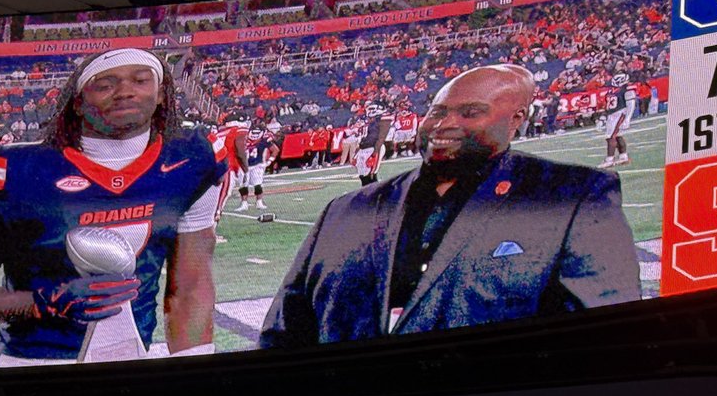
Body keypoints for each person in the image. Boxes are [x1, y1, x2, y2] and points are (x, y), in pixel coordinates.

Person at [260, 65, 640, 347]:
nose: (444, 124)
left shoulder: (571, 196)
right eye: (438, 112)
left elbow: (604, 339)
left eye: (470, 113)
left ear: (516, 120)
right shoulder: (347, 210)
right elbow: (283, 335)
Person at [0, 49, 226, 365]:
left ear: (161, 92)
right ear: (77, 101)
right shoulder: (18, 169)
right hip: (31, 362)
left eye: (140, 80)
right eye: (105, 84)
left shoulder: (191, 158)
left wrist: (197, 365)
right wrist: (40, 302)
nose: (125, 92)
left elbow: (191, 284)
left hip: (129, 361)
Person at [235, 125, 280, 211]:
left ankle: (259, 202)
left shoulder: (264, 140)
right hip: (244, 165)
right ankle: (244, 204)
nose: (255, 135)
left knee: (258, 184)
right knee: (243, 185)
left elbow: (275, 150)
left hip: (256, 165)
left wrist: (269, 161)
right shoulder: (243, 138)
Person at [599, 76, 638, 168]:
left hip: (620, 114)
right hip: (612, 115)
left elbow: (631, 105)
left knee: (610, 137)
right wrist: (603, 118)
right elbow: (607, 106)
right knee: (617, 136)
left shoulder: (627, 90)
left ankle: (609, 159)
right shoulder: (611, 91)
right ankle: (623, 156)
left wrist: (627, 118)